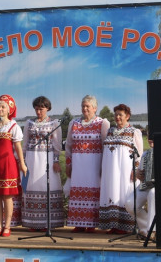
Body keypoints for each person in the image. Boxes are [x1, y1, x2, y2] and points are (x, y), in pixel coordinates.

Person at [0, 94, 28, 237]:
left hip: (8, 164)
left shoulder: (13, 126)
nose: (0, 109)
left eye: (3, 107)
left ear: (9, 110)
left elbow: (18, 147)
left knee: (7, 196)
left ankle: (7, 226)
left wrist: (22, 164)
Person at [65, 95, 110, 233]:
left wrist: (104, 166)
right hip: (78, 164)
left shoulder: (102, 123)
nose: (85, 109)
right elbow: (68, 145)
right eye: (83, 106)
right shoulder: (74, 123)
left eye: (87, 106)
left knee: (93, 191)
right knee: (77, 189)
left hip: (94, 164)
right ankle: (78, 223)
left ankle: (91, 223)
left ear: (95, 108)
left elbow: (106, 146)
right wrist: (68, 163)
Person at [98, 104, 143, 234]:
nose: (117, 117)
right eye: (116, 114)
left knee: (124, 194)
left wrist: (135, 170)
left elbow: (139, 154)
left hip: (125, 171)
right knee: (112, 193)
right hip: (110, 170)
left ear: (127, 116)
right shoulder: (110, 131)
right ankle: (114, 225)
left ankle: (126, 226)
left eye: (120, 115)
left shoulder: (135, 132)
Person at [22, 96, 64, 231]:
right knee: (31, 185)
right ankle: (33, 222)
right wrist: (23, 161)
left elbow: (57, 145)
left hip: (47, 158)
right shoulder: (29, 123)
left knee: (47, 187)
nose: (38, 112)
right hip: (31, 159)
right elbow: (25, 143)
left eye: (41, 109)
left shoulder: (54, 123)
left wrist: (56, 161)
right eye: (36, 109)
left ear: (47, 108)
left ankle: (48, 222)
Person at [125, 138, 155, 240]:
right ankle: (147, 228)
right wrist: (138, 173)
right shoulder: (146, 154)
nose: (151, 141)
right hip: (146, 184)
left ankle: (152, 231)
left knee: (153, 193)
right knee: (130, 203)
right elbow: (140, 172)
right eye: (149, 139)